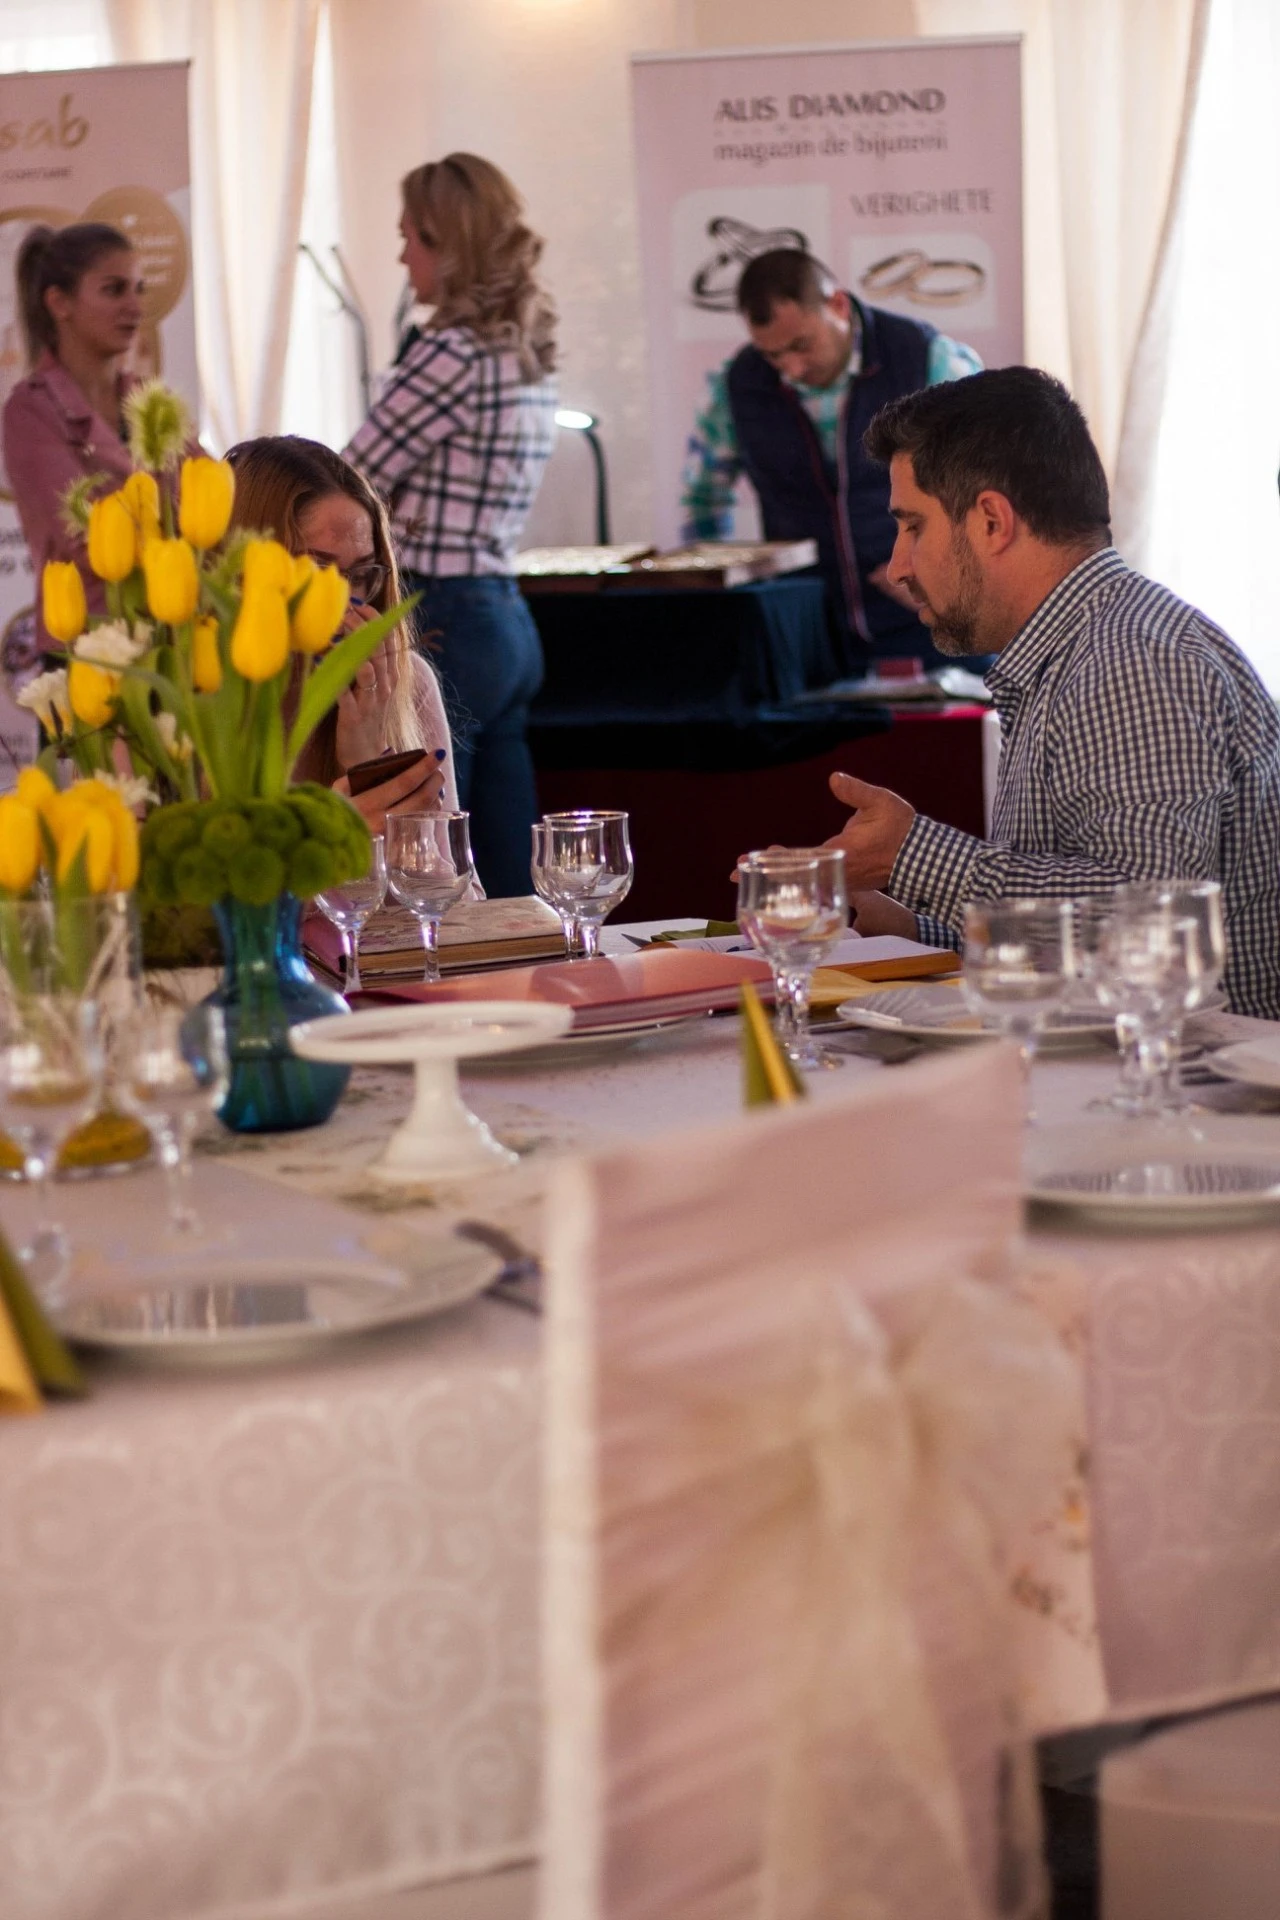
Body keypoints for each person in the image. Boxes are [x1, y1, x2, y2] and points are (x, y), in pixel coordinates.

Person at [822, 367, 1280, 1020]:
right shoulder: (1082, 648)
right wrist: (912, 930)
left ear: (991, 521)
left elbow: (1147, 926)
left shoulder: (1131, 661)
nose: (897, 566)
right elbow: (1078, 942)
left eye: (913, 526)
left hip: (1190, 1076)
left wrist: (911, 854)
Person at [343, 152, 557, 896]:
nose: (402, 257)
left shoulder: (450, 353)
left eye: (410, 237)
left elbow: (348, 482)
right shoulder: (525, 352)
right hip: (504, 614)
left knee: (430, 852)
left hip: (443, 616)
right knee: (510, 867)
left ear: (448, 242)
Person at [680, 248, 982, 675]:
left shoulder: (928, 359)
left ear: (837, 304)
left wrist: (947, 572)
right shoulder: (734, 386)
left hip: (933, 624)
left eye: (801, 345)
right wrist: (723, 598)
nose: (791, 368)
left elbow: (985, 487)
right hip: (806, 636)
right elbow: (702, 501)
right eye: (773, 355)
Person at [225, 435, 459, 839]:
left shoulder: (404, 680)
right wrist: (336, 832)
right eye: (317, 570)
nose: (343, 604)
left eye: (362, 573)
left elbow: (447, 876)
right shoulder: (192, 701)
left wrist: (368, 764)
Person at [3, 222, 146, 653]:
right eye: (114, 290)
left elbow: (215, 503)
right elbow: (86, 537)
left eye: (139, 289)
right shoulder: (29, 410)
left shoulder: (148, 401)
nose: (134, 306)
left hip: (169, 646)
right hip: (83, 651)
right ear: (59, 302)